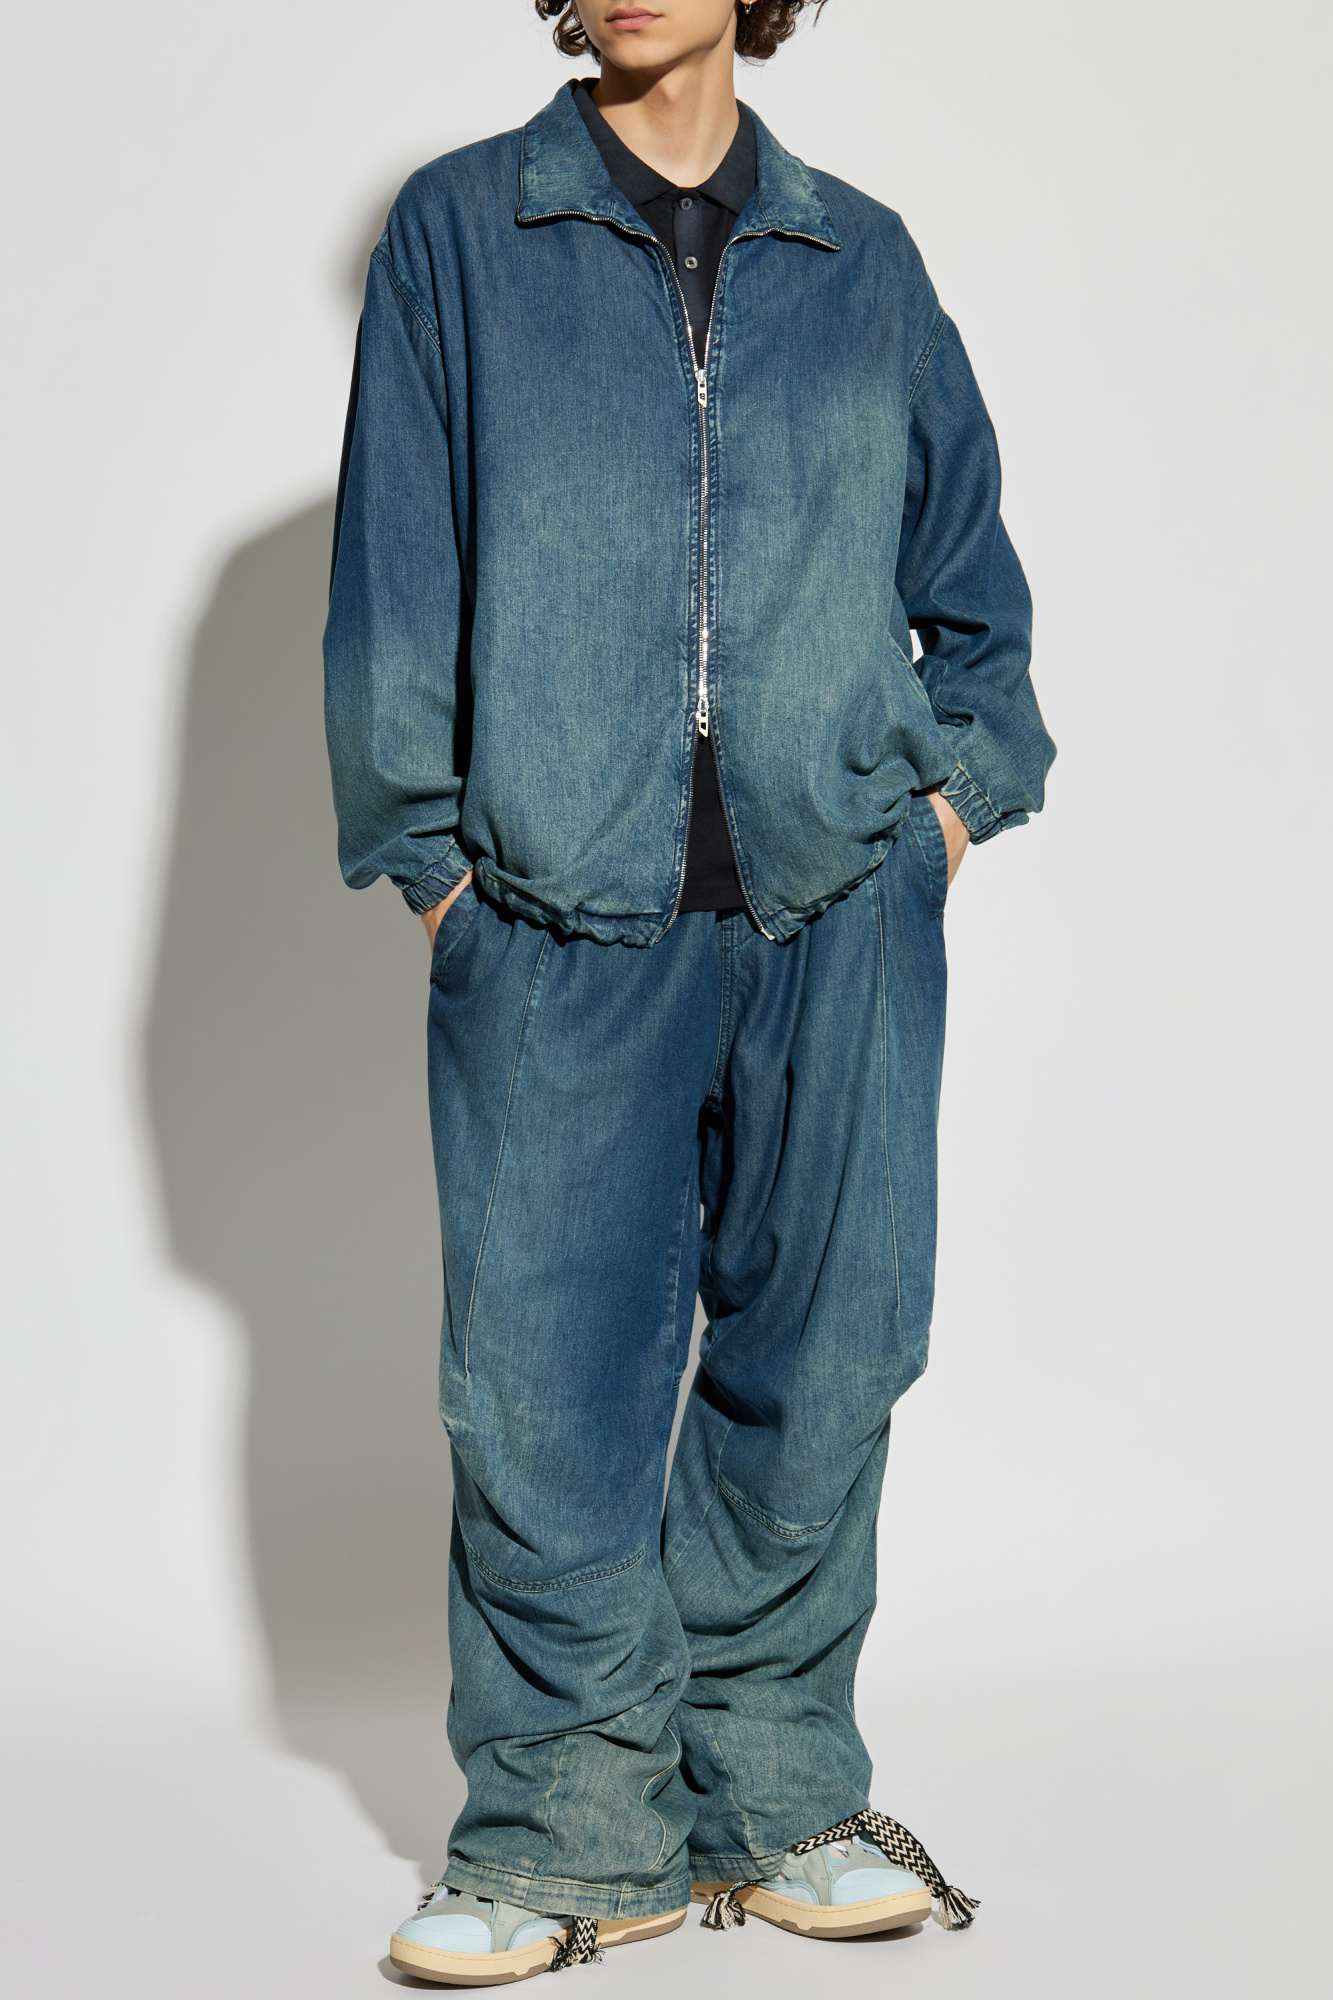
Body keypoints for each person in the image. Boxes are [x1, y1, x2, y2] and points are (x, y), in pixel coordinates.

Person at [324, 0, 1054, 1981]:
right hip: (554, 922)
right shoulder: (465, 232)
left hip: (834, 913)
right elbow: (394, 577)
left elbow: (974, 602)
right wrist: (439, 878)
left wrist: (941, 818)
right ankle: (568, 1834)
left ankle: (772, 1792)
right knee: (539, 1397)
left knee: (825, 1367)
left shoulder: (860, 257)